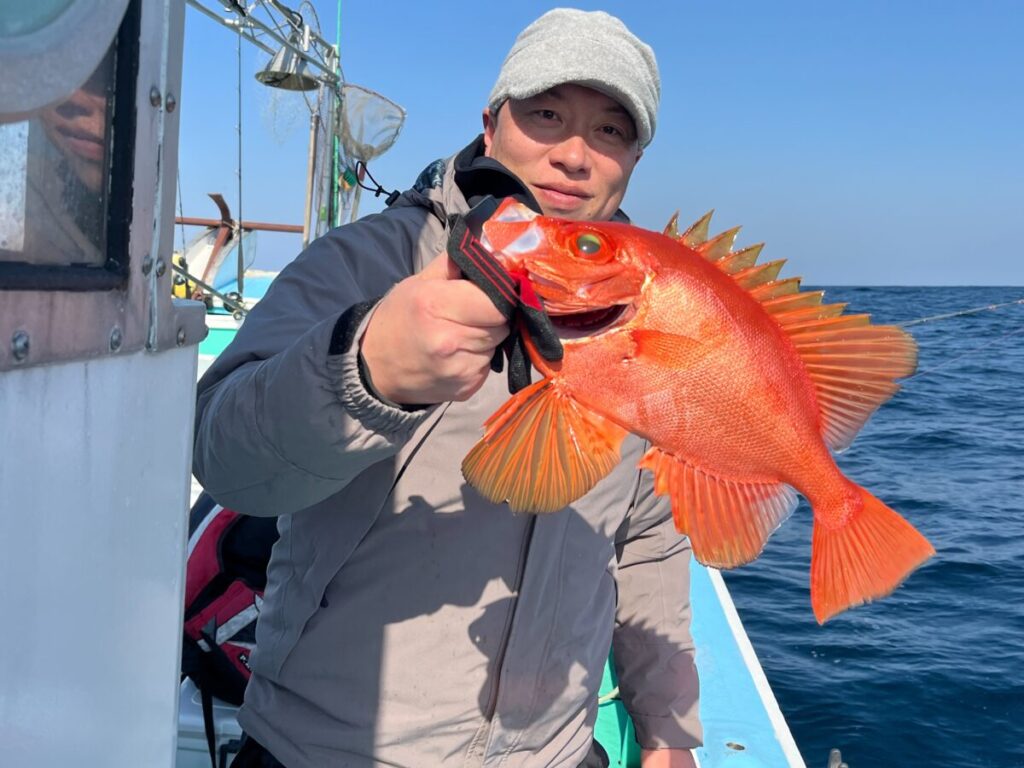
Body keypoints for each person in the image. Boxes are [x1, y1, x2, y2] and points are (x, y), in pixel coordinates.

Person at [193, 8, 702, 768]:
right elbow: (227, 456)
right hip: (330, 750)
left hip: (554, 753)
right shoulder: (368, 261)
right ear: (491, 127)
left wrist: (666, 729)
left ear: (632, 160)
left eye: (610, 131)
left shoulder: (645, 316)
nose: (573, 154)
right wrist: (364, 371)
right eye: (546, 114)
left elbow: (648, 538)